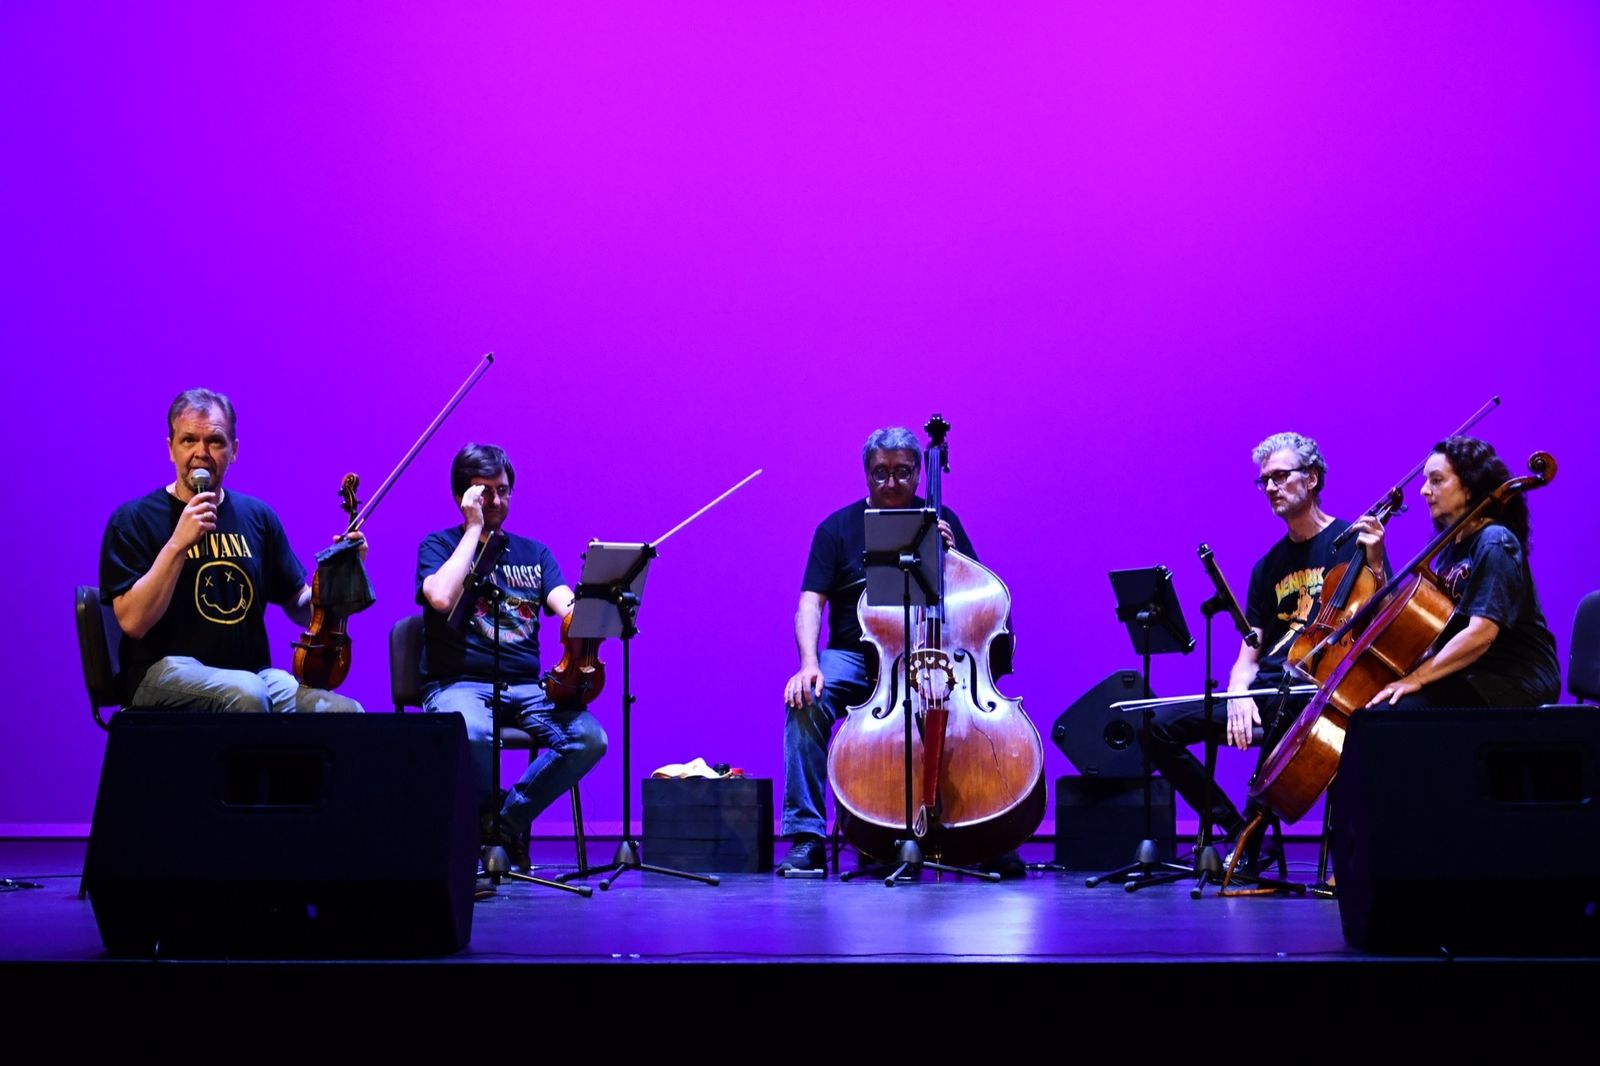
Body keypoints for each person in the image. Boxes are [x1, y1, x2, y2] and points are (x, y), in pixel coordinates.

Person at [778, 426, 1024, 876]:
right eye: (880, 474)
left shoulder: (941, 518)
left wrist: (951, 560)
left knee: (971, 719)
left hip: (933, 652)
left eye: (902, 473)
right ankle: (808, 836)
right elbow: (810, 602)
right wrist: (808, 664)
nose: (891, 484)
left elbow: (979, 599)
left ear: (918, 474)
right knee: (805, 701)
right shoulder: (836, 529)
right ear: (865, 475)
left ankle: (984, 828)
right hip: (857, 654)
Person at [1145, 432, 1384, 857]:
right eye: (1264, 481)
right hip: (1264, 693)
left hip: (1312, 693)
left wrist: (1378, 565)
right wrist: (1237, 692)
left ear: (1311, 479)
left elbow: (1378, 621)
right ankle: (1235, 826)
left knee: (1281, 713)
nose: (1271, 487)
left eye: (1280, 477)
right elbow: (1249, 654)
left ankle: (1252, 841)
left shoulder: (1355, 543)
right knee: (1155, 727)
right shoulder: (1266, 567)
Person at [99, 388, 365, 714]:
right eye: (188, 441)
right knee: (247, 694)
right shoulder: (133, 520)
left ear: (234, 450)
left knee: (345, 713)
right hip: (162, 672)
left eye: (215, 441)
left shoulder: (258, 517)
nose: (201, 452)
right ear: (170, 449)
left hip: (252, 674)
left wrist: (337, 579)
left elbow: (297, 603)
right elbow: (133, 621)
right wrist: (177, 544)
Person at [416, 443, 606, 870]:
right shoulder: (439, 545)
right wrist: (472, 530)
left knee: (590, 738)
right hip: (458, 684)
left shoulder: (534, 554)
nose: (497, 502)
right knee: (475, 735)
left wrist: (595, 590)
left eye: (503, 491)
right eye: (485, 493)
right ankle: (495, 836)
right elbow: (442, 598)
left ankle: (500, 826)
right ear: (463, 496)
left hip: (528, 687)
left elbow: (567, 606)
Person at [1364, 435, 1560, 709]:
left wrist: (1418, 678)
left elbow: (1482, 634)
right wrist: (1376, 565)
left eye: (1437, 480)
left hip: (1511, 675)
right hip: (1468, 671)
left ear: (1469, 487)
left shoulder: (1494, 541)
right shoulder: (1448, 549)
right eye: (1425, 480)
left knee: (1390, 715)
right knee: (1376, 707)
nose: (1423, 490)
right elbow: (1409, 632)